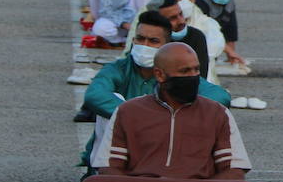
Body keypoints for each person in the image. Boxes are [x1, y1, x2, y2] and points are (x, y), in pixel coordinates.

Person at [81, 43, 259, 182]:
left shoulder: (216, 113)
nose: (193, 76)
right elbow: (109, 167)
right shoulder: (129, 111)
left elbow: (234, 170)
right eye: (185, 72)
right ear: (159, 75)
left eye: (196, 70)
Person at [82, 11, 230, 156]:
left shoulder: (176, 72)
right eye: (140, 39)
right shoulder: (118, 69)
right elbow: (94, 94)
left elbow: (220, 96)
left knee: (205, 110)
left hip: (166, 141)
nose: (144, 45)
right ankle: (104, 173)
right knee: (112, 102)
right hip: (123, 142)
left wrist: (175, 116)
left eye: (153, 41)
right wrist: (142, 116)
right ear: (133, 40)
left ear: (167, 46)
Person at [196, 0, 243, 68]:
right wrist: (229, 51)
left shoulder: (230, 3)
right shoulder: (200, 4)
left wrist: (231, 57)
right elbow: (207, 31)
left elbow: (231, 32)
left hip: (215, 47)